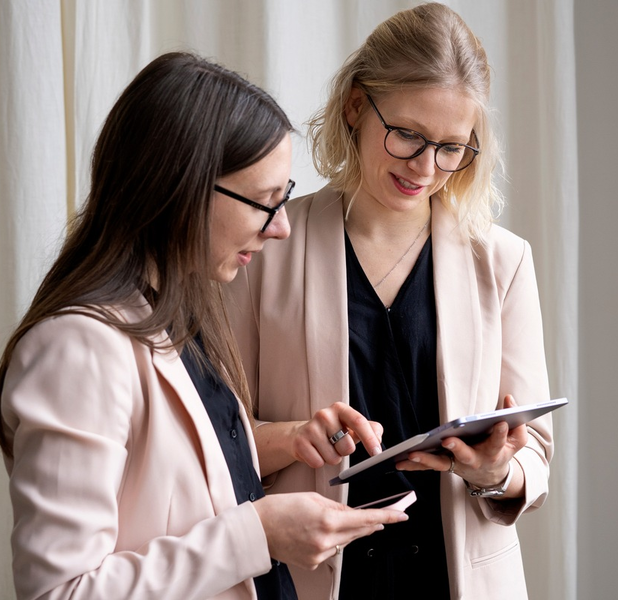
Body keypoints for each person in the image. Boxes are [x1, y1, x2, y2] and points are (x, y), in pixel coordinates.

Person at [0, 52, 408, 600]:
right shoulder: (77, 348)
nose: (282, 228)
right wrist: (259, 535)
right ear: (180, 189)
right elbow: (61, 591)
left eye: (284, 198)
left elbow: (186, 478)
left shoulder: (180, 315)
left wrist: (290, 439)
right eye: (265, 202)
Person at [226, 3, 554, 599]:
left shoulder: (503, 261)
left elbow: (534, 458)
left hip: (458, 581)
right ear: (355, 106)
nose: (427, 168)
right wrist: (296, 434)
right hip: (309, 577)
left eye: (453, 147)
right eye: (407, 135)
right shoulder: (265, 248)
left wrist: (495, 472)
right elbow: (215, 437)